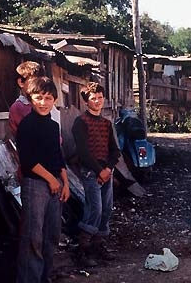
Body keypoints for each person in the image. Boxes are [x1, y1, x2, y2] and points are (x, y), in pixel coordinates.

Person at [16, 76, 70, 283]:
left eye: (48, 98)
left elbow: (58, 156)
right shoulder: (27, 125)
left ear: (54, 100)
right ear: (30, 99)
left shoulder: (52, 126)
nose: (43, 102)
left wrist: (64, 183)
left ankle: (44, 277)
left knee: (52, 236)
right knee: (33, 237)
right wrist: (51, 180)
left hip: (55, 185)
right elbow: (29, 161)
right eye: (38, 97)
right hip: (36, 185)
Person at [72, 82, 121, 267]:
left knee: (107, 209)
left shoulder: (106, 123)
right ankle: (82, 249)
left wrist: (108, 169)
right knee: (95, 209)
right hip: (90, 172)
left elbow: (115, 151)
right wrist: (99, 170)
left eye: (100, 97)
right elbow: (83, 153)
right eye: (93, 98)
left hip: (106, 172)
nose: (98, 101)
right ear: (86, 101)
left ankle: (98, 245)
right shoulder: (80, 122)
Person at [9, 61, 45, 138]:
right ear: (21, 82)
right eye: (34, 82)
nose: (38, 86)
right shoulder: (19, 107)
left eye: (40, 82)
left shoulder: (41, 103)